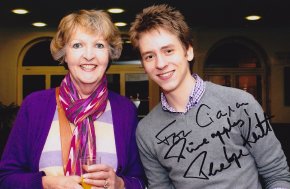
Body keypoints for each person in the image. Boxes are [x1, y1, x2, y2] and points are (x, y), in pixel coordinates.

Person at [129, 4, 290, 189]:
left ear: (188, 51)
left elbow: (277, 175)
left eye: (168, 51)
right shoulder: (146, 131)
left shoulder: (241, 103)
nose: (160, 63)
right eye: (149, 56)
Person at [0, 9, 146, 189]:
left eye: (99, 45)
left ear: (110, 54)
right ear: (64, 54)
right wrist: (47, 184)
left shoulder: (125, 110)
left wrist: (120, 183)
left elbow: (141, 181)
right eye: (77, 45)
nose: (89, 55)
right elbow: (6, 178)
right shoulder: (35, 106)